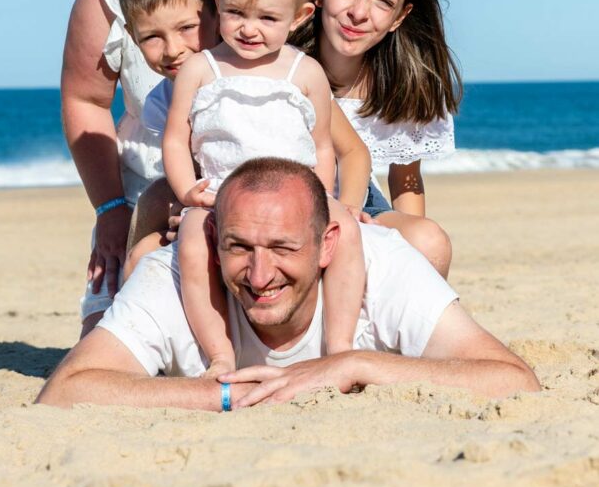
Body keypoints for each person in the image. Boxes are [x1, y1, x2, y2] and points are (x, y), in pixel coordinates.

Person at [61, 0, 310, 315]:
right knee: (107, 347)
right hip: (149, 196)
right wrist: (111, 211)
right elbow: (85, 101)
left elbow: (331, 80)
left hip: (274, 195)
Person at [37, 158, 540, 411]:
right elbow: (64, 391)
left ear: (328, 245)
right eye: (238, 248)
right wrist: (224, 397)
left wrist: (352, 364)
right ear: (212, 238)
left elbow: (513, 379)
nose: (259, 277)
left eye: (282, 249)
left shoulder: (383, 264)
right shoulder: (169, 277)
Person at [162, 0, 368, 375]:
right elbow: (177, 138)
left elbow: (321, 146)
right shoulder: (202, 69)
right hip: (220, 197)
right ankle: (218, 352)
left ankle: (340, 344)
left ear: (300, 16)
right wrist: (187, 191)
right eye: (235, 13)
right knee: (193, 242)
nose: (248, 28)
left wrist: (324, 198)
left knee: (345, 229)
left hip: (293, 201)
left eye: (267, 18)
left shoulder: (305, 72)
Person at [294, 0, 462, 277]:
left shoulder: (404, 84)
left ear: (400, 17)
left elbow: (406, 180)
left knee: (429, 240)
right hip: (284, 196)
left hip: (360, 204)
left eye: (383, 1)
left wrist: (412, 256)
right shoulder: (282, 59)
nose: (358, 12)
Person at [79, 0, 217, 334]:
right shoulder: (163, 99)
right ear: (130, 36)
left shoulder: (240, 75)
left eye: (187, 28)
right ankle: (133, 313)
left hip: (248, 194)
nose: (173, 50)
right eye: (152, 37)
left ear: (214, 9)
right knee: (153, 210)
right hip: (199, 196)